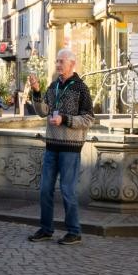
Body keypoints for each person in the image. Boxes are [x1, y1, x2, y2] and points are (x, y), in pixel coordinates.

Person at [27, 48, 95, 245]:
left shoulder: (81, 88)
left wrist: (64, 119)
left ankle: (74, 231)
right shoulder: (54, 86)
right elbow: (42, 111)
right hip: (52, 145)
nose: (57, 65)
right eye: (56, 61)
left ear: (72, 64)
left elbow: (89, 118)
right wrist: (37, 90)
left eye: (61, 61)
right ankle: (46, 229)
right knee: (45, 190)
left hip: (70, 148)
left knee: (67, 190)